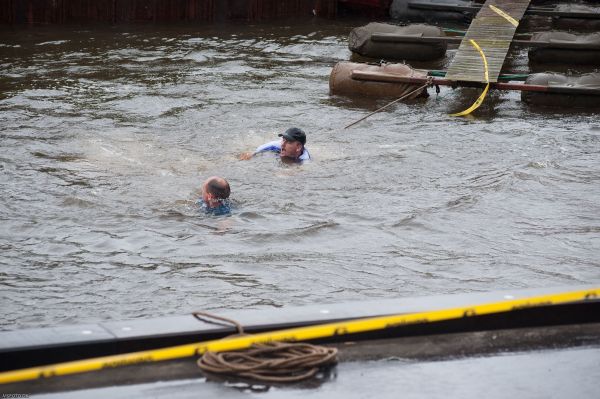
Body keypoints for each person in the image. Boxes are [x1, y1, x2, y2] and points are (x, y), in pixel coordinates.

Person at [239, 127, 311, 163]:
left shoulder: (305, 159)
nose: (282, 144)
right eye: (283, 139)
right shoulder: (275, 145)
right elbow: (255, 152)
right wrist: (251, 155)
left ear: (298, 147)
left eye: (288, 142)